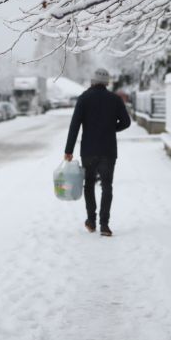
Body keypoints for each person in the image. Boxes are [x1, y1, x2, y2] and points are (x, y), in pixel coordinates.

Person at [64, 68, 131, 237]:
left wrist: (68, 150)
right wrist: (111, 129)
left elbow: (75, 125)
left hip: (88, 150)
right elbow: (126, 122)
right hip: (108, 150)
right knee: (107, 186)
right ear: (107, 82)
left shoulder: (84, 98)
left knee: (89, 185)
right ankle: (105, 225)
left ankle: (91, 221)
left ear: (92, 81)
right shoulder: (115, 99)